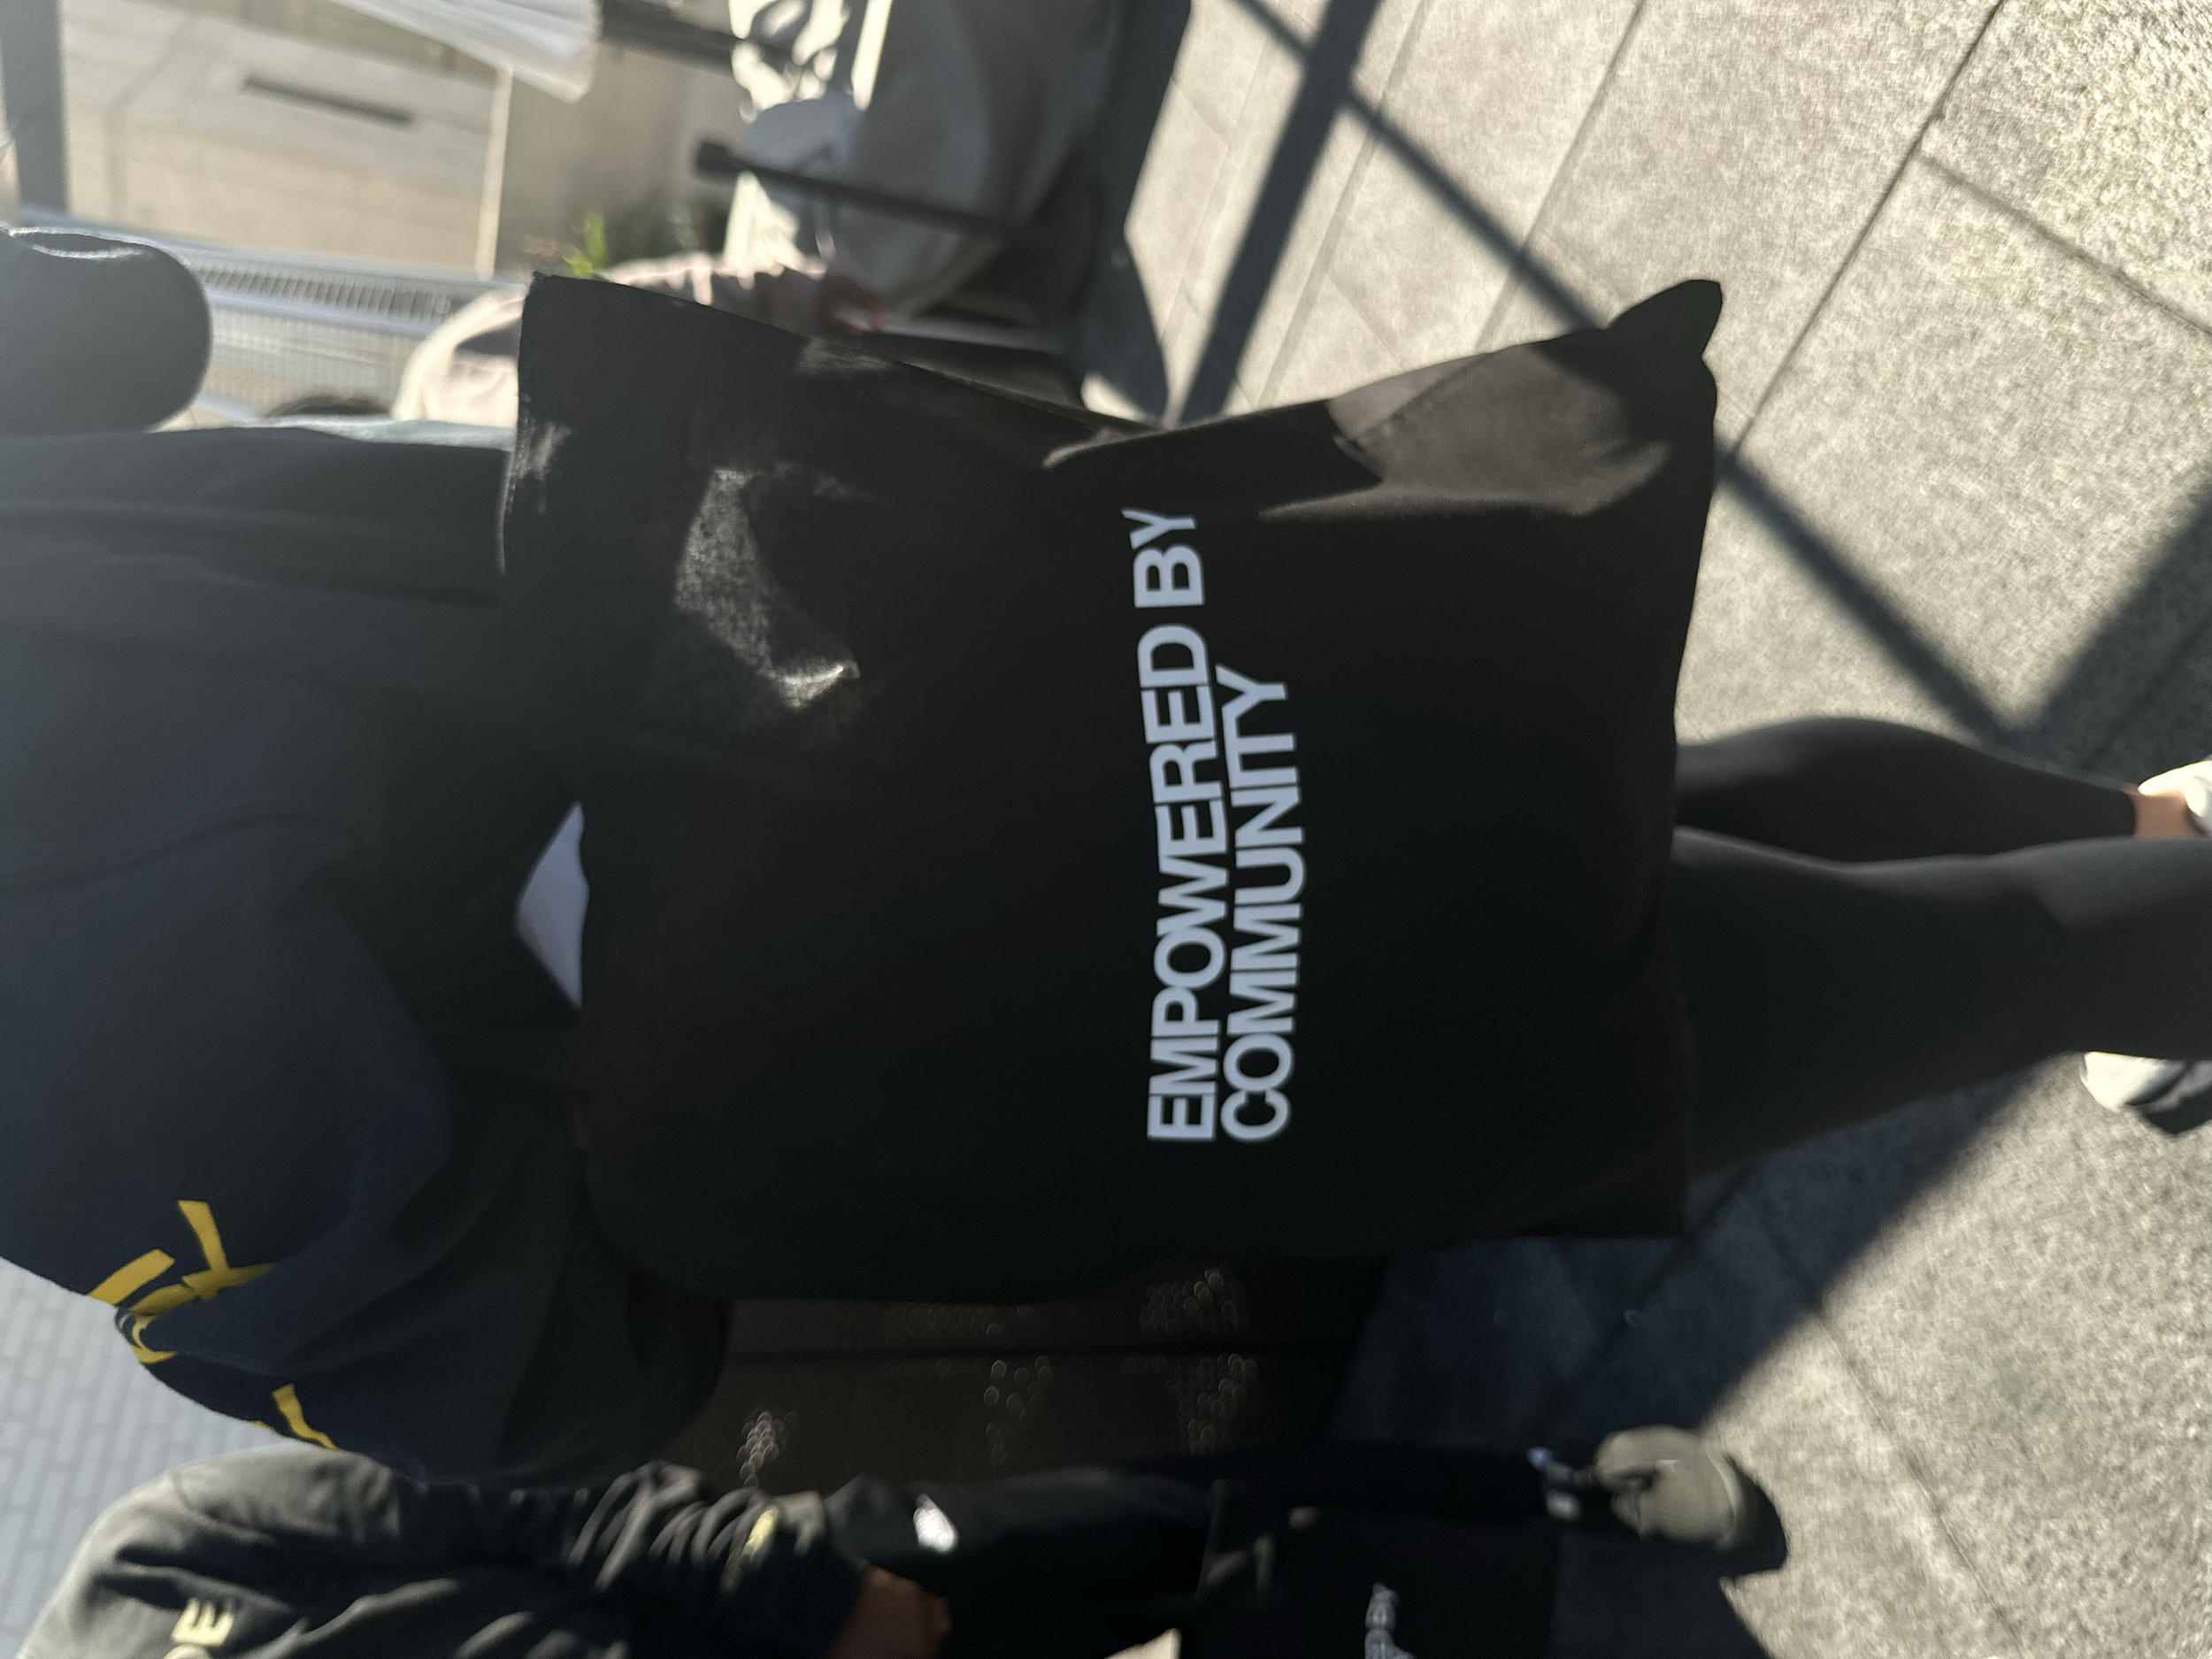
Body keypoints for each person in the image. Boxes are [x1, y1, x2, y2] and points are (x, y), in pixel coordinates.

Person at [6, 227, 2212, 1486]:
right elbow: (124, 322)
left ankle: (2161, 934)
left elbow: (482, 1337)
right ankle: (2152, 842)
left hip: (846, 967)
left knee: (1576, 1039)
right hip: (769, 596)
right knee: (1591, 812)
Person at [20, 1429, 1762, 1659]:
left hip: (789, 1604)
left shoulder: (159, 1562)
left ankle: (1548, 1486)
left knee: (1168, 1517)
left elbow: (528, 1493)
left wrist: (822, 1591)